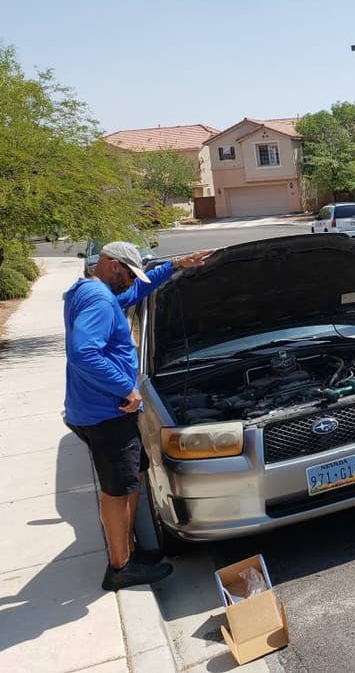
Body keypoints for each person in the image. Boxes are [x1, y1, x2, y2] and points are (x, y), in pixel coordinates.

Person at [63, 241, 212, 591]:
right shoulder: (100, 300)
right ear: (114, 266)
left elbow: (130, 297)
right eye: (130, 274)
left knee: (131, 479)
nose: (132, 282)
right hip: (107, 413)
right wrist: (125, 389)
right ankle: (120, 568)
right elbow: (83, 352)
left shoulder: (91, 292)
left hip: (100, 410)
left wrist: (175, 264)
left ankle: (128, 553)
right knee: (116, 491)